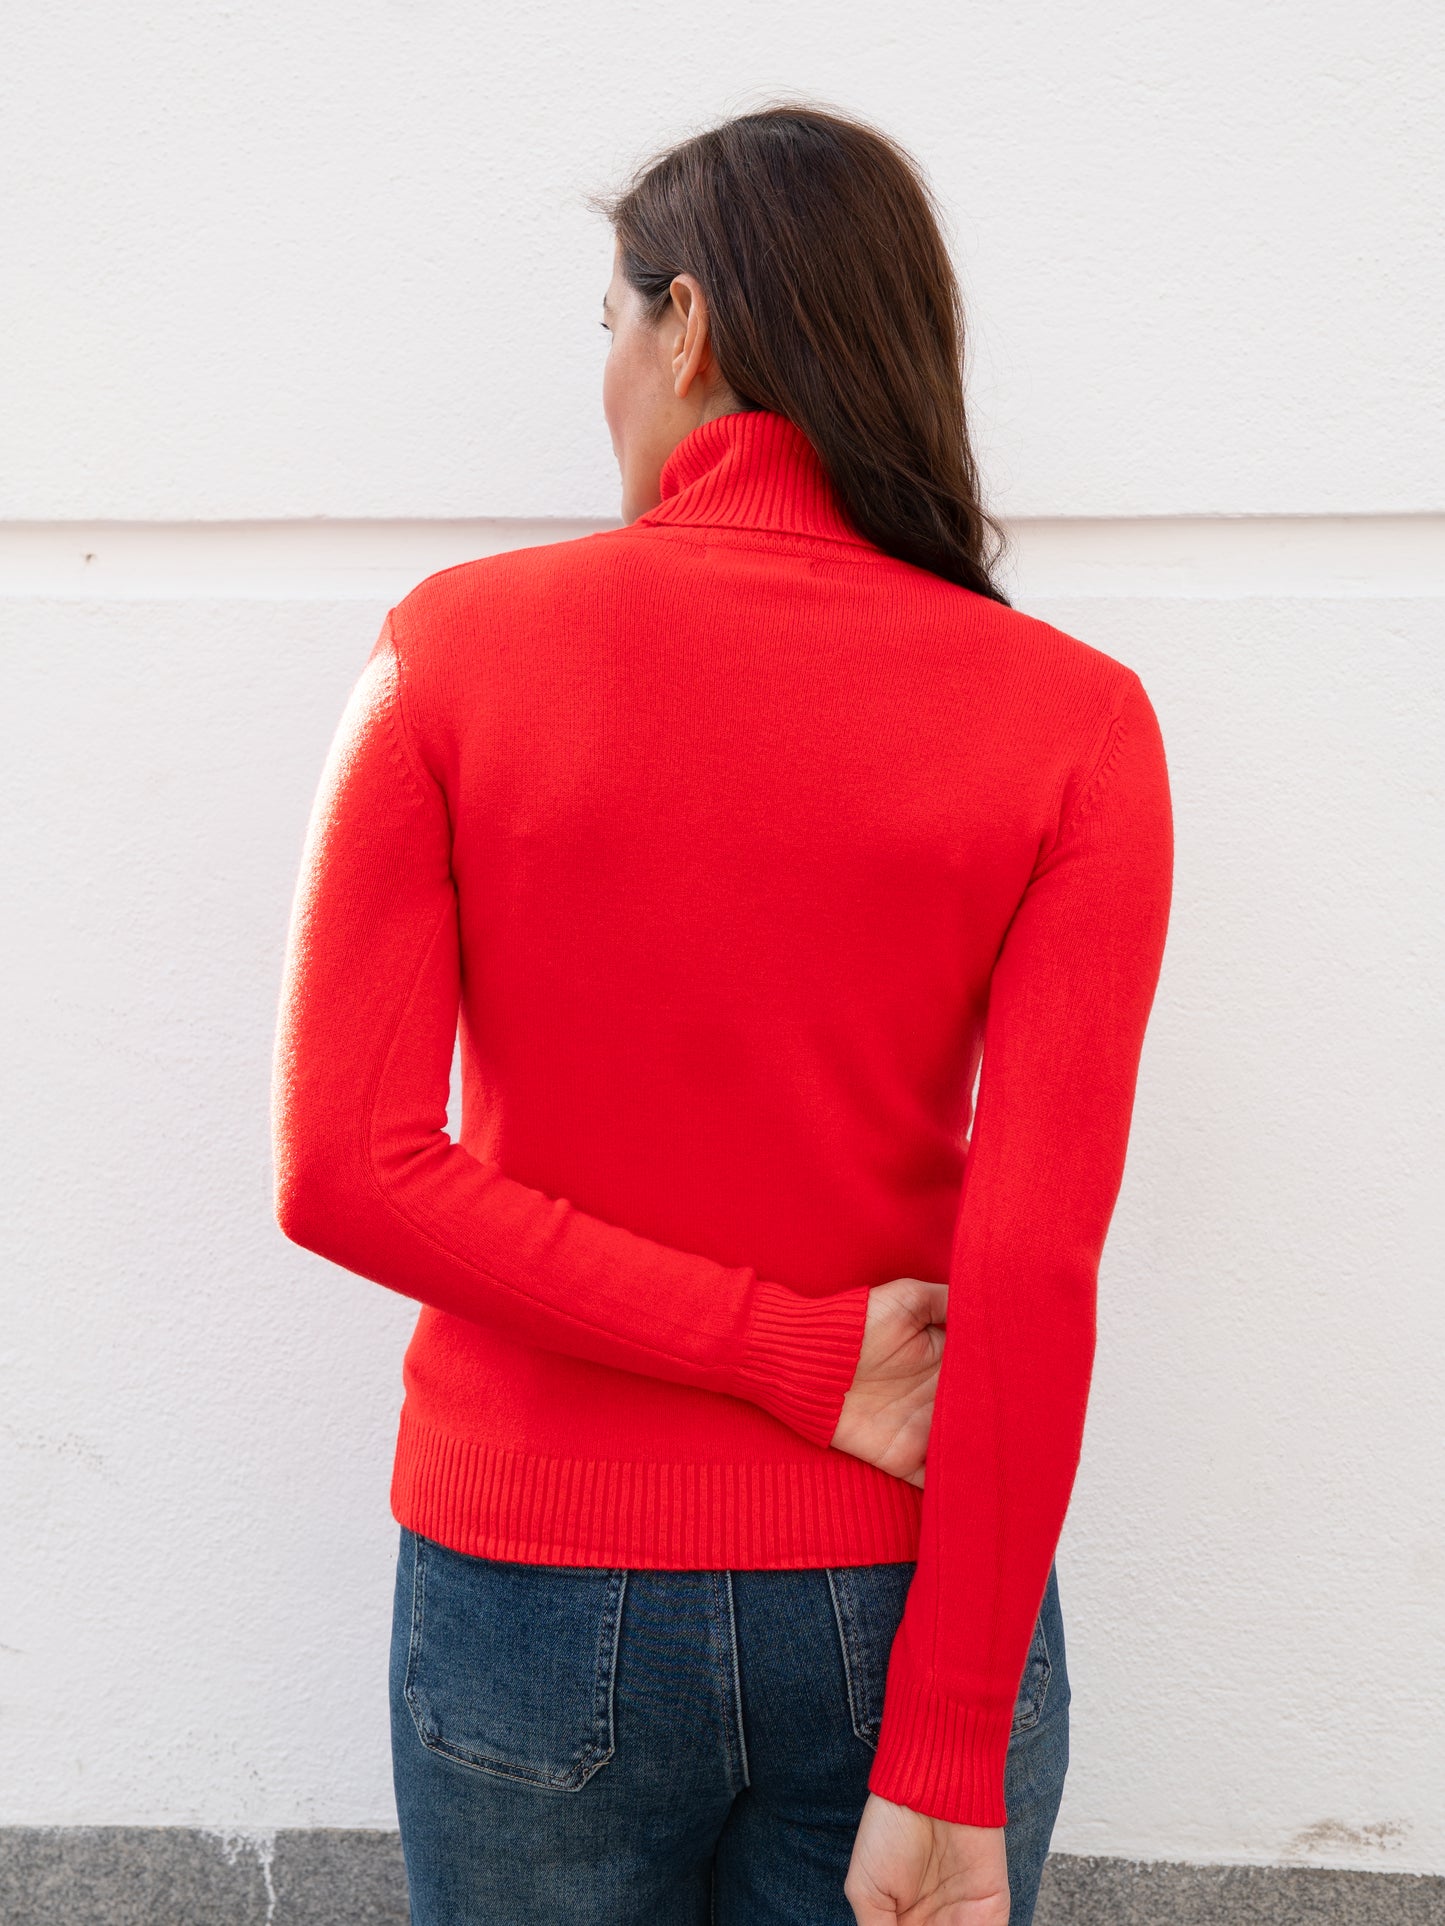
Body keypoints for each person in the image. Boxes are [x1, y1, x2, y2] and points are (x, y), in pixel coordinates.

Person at [271, 102, 1173, 1926]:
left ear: (685, 323)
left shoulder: (449, 650)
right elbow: (1035, 1263)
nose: (601, 378)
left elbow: (346, 1172)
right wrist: (944, 1750)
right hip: (900, 1606)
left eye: (606, 326)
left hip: (525, 1588)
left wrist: (784, 1349)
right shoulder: (1073, 719)